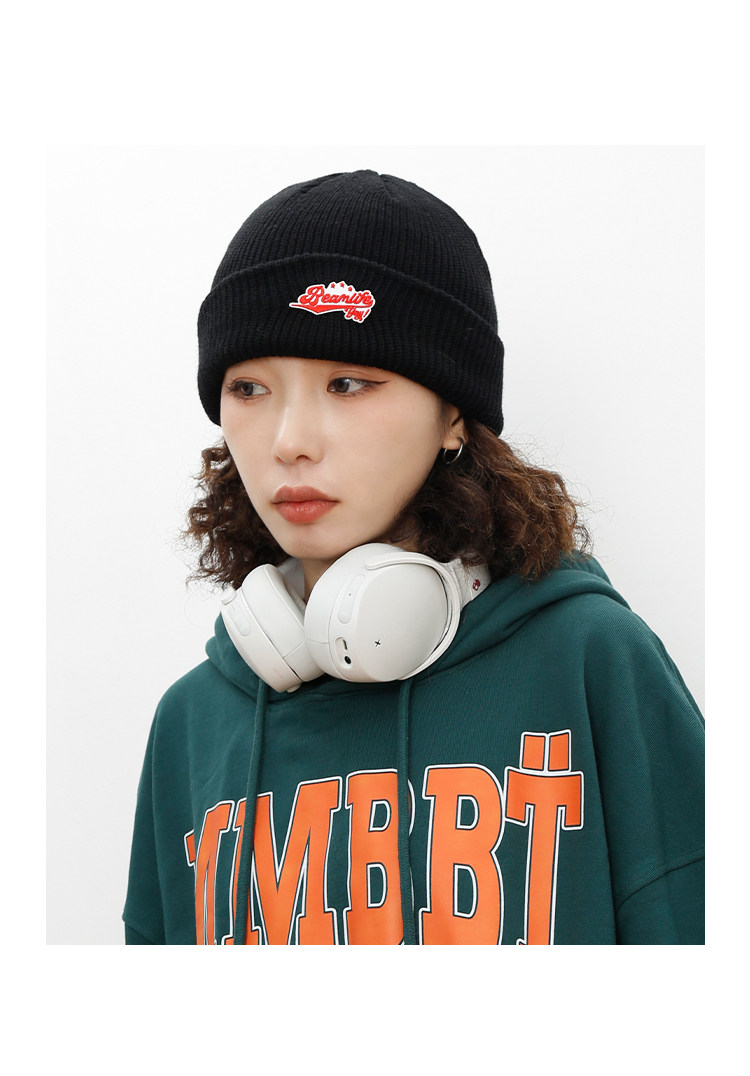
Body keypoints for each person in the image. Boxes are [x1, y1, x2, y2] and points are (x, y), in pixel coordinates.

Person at [123, 169, 704, 945]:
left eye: (347, 382)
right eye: (250, 389)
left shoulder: (591, 662)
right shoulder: (192, 725)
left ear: (453, 414)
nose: (289, 441)